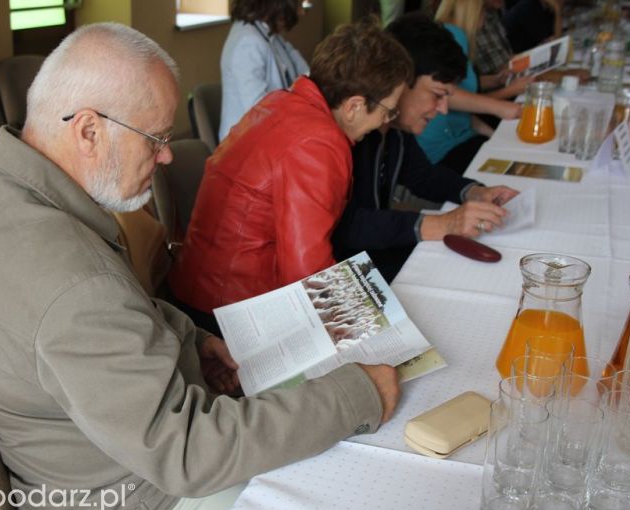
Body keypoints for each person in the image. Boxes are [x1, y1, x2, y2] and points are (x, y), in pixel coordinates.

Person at [0, 22, 402, 510]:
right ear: (88, 130)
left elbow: (83, 322)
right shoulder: (72, 283)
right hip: (129, 504)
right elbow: (188, 454)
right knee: (351, 499)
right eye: (156, 138)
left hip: (80, 461)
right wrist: (356, 395)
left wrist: (187, 337)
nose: (167, 155)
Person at [169, 20, 414, 332]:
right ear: (354, 106)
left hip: (200, 292)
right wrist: (372, 329)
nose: (385, 122)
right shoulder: (320, 143)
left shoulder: (279, 101)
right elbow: (307, 273)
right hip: (233, 314)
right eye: (388, 111)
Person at [333, 14, 518, 282]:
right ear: (399, 82)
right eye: (437, 94)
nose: (443, 109)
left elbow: (422, 176)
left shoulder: (395, 131)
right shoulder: (352, 135)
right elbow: (343, 226)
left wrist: (474, 192)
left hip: (370, 253)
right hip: (343, 269)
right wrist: (441, 224)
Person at [415, 0, 522, 175]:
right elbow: (449, 95)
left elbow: (464, 98)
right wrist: (502, 104)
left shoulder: (452, 32)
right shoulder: (455, 35)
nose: (486, 20)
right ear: (475, 11)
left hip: (459, 135)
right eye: (484, 14)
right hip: (444, 145)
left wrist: (494, 136)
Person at [219, 0, 309, 140]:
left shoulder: (270, 35)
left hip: (266, 135)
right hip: (245, 146)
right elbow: (259, 112)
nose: (301, 12)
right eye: (298, 5)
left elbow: (304, 71)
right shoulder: (247, 42)